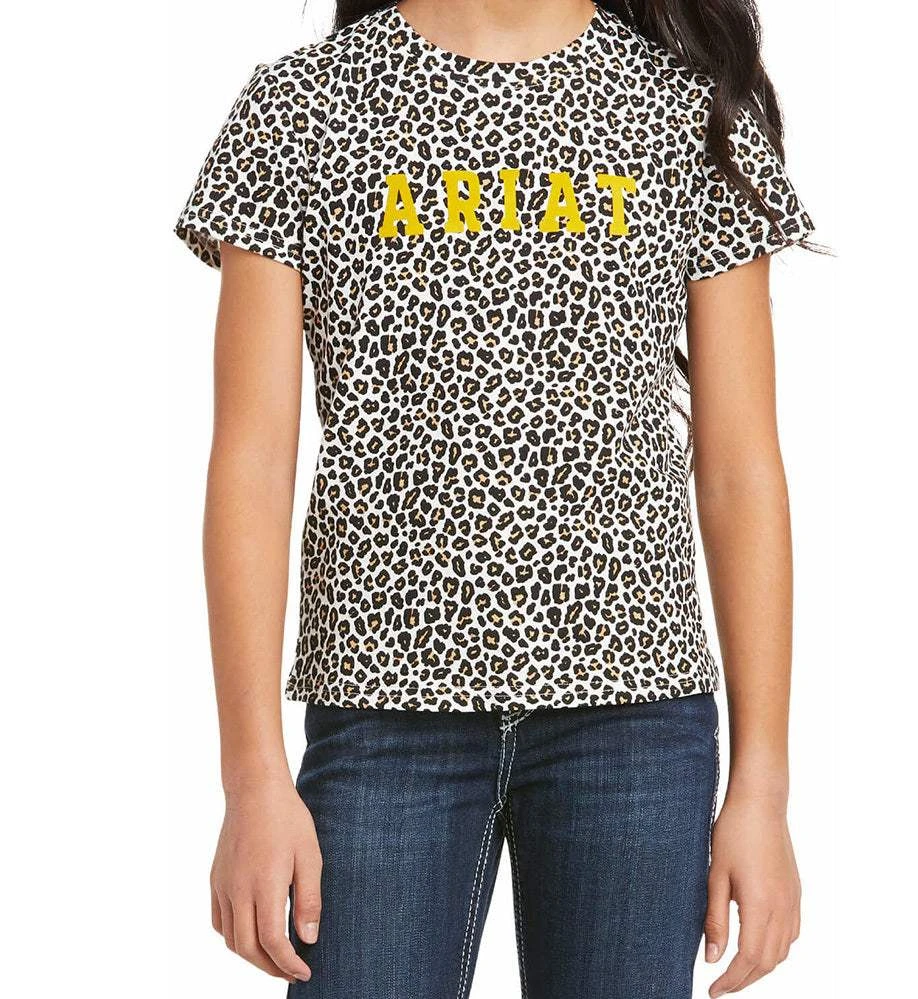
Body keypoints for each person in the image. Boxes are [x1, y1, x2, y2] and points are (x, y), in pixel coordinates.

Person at [173, 1, 819, 996]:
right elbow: (251, 465)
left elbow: (740, 469)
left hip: (635, 720)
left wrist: (762, 790)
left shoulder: (685, 112)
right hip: (383, 709)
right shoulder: (302, 108)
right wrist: (252, 777)